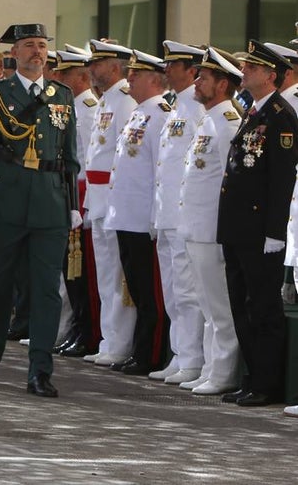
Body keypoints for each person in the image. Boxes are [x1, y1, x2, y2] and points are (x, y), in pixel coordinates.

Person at [0, 23, 80, 398]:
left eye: (42, 46)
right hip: (7, 201)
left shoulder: (61, 95)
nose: (37, 52)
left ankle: (40, 369)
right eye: (29, 45)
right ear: (14, 52)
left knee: (46, 290)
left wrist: (73, 206)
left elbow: (70, 157)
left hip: (50, 203)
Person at [216, 40, 298, 407]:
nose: (244, 71)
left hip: (260, 231)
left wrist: (274, 234)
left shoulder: (280, 116)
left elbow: (281, 180)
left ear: (270, 75)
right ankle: (251, 377)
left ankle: (267, 382)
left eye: (251, 67)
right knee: (241, 304)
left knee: (262, 307)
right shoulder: (253, 112)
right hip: (238, 227)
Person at [102, 49, 171, 376]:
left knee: (148, 290)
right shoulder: (140, 112)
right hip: (125, 214)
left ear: (155, 80)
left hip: (144, 216)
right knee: (137, 288)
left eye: (137, 74)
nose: (129, 78)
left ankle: (150, 352)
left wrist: (156, 217)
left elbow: (160, 170)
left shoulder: (159, 114)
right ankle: (139, 350)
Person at [180, 47, 243, 395]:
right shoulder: (208, 119)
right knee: (205, 301)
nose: (197, 81)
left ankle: (224, 372)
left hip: (211, 228)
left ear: (222, 85)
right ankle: (209, 366)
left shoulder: (229, 122)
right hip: (195, 225)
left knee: (219, 305)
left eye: (204, 77)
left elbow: (230, 183)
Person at [149, 41, 206, 385]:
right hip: (167, 212)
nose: (167, 70)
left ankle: (193, 358)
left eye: (174, 65)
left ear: (191, 71)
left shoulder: (197, 111)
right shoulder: (176, 107)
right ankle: (179, 353)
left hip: (184, 215)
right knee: (173, 290)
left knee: (187, 291)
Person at [82, 39, 138, 367]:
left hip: (115, 200)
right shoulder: (106, 101)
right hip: (100, 199)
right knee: (105, 275)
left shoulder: (125, 100)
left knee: (117, 277)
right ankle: (108, 339)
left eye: (98, 63)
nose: (92, 69)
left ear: (114, 67)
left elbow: (123, 159)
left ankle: (119, 343)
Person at [51, 47, 97, 358]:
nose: (57, 78)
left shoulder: (90, 108)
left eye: (64, 74)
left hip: (82, 191)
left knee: (81, 271)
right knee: (70, 271)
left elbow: (90, 161)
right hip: (69, 189)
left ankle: (85, 330)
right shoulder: (70, 106)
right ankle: (75, 328)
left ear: (81, 77)